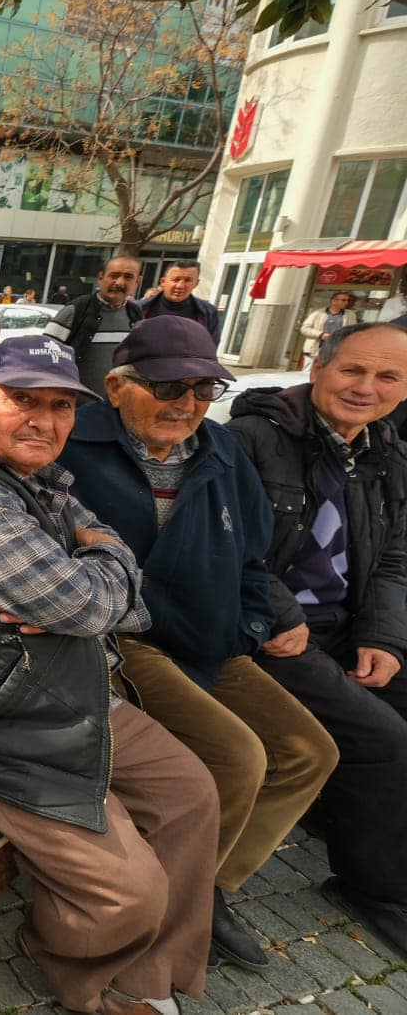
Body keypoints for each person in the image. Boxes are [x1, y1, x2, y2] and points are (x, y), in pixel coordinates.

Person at [0, 336, 220, 1015]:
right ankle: (75, 970)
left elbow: (100, 591)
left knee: (192, 794)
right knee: (127, 892)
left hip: (43, 690)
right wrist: (104, 567)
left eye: (59, 406)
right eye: (21, 399)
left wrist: (96, 572)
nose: (43, 421)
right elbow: (87, 603)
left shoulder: (31, 474)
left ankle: (146, 976)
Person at [58, 317, 338, 970]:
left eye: (204, 388)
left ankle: (207, 887)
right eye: (167, 385)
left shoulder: (221, 451)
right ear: (118, 386)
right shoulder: (75, 447)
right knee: (239, 757)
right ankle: (176, 907)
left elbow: (250, 559)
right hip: (128, 639)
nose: (185, 402)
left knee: (309, 752)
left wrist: (253, 626)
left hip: (212, 639)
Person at [227, 322, 407, 952]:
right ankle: (373, 884)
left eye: (388, 376)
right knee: (383, 736)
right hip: (267, 630)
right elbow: (227, 544)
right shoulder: (252, 439)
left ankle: (361, 822)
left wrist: (385, 637)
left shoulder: (387, 453)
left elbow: (390, 559)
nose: (367, 388)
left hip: (346, 623)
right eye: (354, 370)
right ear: (318, 366)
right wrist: (280, 613)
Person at [46, 255, 144, 395]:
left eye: (128, 277)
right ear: (100, 277)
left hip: (116, 405)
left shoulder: (135, 314)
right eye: (114, 275)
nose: (120, 282)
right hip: (77, 406)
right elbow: (45, 354)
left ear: (137, 281)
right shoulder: (76, 310)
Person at [138, 261, 220, 343]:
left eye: (188, 280)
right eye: (176, 280)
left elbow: (210, 347)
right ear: (163, 282)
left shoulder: (208, 312)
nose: (180, 286)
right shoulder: (138, 308)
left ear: (196, 283)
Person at [299, 291, 360, 367]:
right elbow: (304, 329)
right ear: (334, 301)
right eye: (343, 300)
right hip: (315, 350)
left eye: (348, 300)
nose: (346, 302)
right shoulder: (318, 313)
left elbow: (352, 331)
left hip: (335, 352)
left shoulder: (350, 315)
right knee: (308, 374)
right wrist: (321, 334)